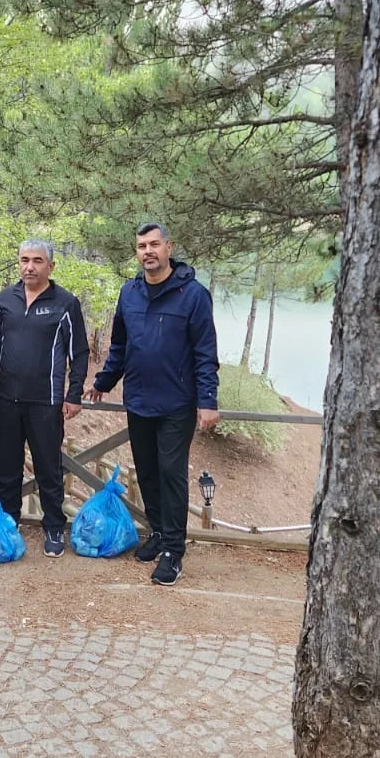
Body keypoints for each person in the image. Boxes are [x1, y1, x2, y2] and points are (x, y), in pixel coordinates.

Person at [84, 222, 219, 587]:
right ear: (137, 252)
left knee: (171, 473)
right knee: (146, 471)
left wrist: (207, 400)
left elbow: (205, 353)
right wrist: (104, 381)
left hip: (177, 403)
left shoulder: (193, 295)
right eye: (142, 245)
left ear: (169, 247)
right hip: (139, 399)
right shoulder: (129, 293)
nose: (148, 251)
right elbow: (120, 347)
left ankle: (174, 552)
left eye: (154, 244)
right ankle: (158, 531)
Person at [0, 239, 88, 558]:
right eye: (24, 260)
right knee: (6, 467)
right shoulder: (6, 299)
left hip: (47, 401)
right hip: (7, 399)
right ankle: (7, 522)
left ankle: (54, 526)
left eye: (37, 261)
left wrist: (73, 394)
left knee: (48, 468)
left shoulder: (65, 303)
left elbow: (79, 353)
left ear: (50, 266)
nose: (29, 266)